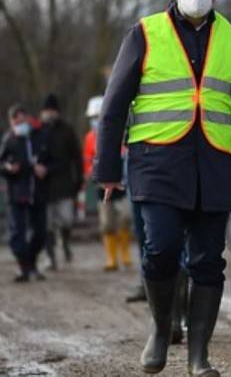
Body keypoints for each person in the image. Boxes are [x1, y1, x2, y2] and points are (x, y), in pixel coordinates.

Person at [93, 0, 231, 376]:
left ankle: (199, 355)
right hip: (157, 164)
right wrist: (106, 170)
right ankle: (160, 327)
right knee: (161, 248)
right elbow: (113, 107)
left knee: (208, 261)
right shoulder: (144, 33)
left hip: (215, 166)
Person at [0, 104, 52, 282]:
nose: (20, 123)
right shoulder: (8, 140)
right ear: (11, 122)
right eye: (16, 121)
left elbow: (53, 161)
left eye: (22, 120)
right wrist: (8, 168)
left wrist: (45, 169)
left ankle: (31, 262)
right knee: (17, 234)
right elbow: (2, 164)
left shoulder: (38, 137)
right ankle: (24, 266)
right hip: (16, 194)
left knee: (40, 232)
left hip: (37, 192)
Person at [83, 95, 133, 272]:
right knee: (107, 224)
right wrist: (93, 173)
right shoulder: (89, 138)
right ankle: (111, 259)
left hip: (123, 184)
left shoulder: (121, 132)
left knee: (126, 218)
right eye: (93, 118)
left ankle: (125, 254)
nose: (96, 121)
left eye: (98, 117)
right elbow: (87, 161)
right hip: (102, 187)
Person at [40, 94, 83, 269]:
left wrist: (78, 179)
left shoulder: (67, 131)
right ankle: (51, 257)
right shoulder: (38, 130)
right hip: (44, 186)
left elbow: (77, 157)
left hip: (65, 184)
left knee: (66, 220)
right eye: (47, 111)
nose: (49, 114)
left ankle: (65, 243)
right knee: (47, 223)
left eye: (52, 111)